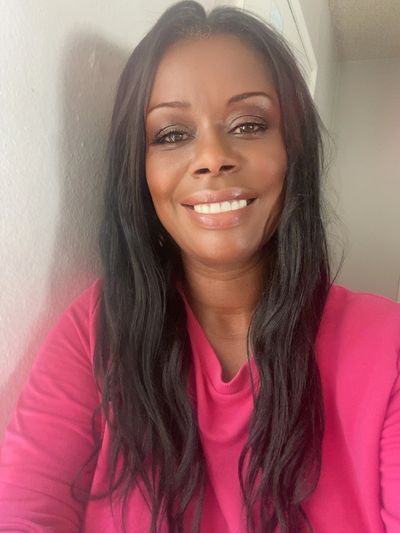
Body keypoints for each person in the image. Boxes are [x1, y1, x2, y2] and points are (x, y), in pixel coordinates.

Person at [0, 1, 399, 532]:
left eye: (249, 124)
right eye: (172, 134)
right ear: (139, 170)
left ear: (293, 150)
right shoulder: (95, 328)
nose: (212, 156)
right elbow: (25, 510)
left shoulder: (388, 344)